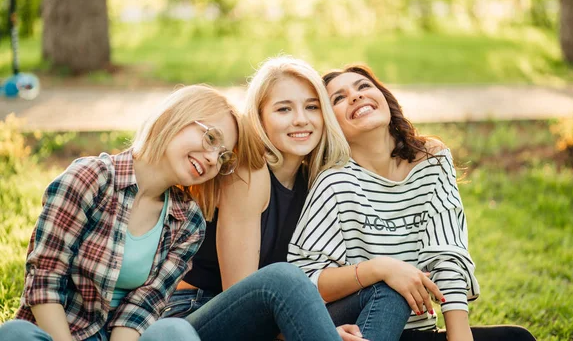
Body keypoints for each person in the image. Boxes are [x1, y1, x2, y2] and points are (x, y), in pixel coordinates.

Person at [289, 64, 537, 341]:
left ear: (385, 98)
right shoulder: (334, 181)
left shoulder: (432, 160)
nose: (356, 96)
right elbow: (305, 279)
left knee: (518, 339)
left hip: (416, 332)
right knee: (391, 287)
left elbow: (448, 255)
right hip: (356, 328)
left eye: (363, 87)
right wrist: (380, 269)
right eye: (339, 98)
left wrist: (459, 337)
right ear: (330, 122)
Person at [162, 57, 383, 340]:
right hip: (198, 313)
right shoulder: (249, 172)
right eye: (283, 109)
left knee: (382, 290)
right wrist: (309, 328)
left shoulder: (316, 180)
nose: (301, 119)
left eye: (312, 107)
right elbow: (241, 296)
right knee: (284, 277)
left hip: (277, 312)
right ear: (260, 118)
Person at [0, 84, 242, 341]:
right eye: (211, 138)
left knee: (174, 331)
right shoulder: (90, 179)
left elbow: (143, 307)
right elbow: (45, 279)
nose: (213, 158)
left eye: (223, 156)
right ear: (175, 117)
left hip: (121, 337)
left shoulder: (188, 222)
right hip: (56, 333)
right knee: (15, 334)